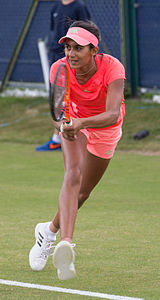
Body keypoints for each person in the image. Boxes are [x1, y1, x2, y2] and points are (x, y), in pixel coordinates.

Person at [29, 20, 126, 280]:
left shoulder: (113, 68)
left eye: (78, 48)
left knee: (83, 193)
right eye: (68, 47)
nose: (71, 53)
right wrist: (64, 125)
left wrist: (81, 122)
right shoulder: (58, 68)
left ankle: (48, 231)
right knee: (73, 173)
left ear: (94, 50)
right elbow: (56, 111)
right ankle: (65, 244)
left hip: (103, 127)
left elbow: (113, 114)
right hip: (74, 123)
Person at [35, 0, 91, 151]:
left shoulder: (79, 7)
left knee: (74, 97)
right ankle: (58, 137)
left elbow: (86, 34)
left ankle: (76, 137)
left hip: (74, 59)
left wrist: (76, 53)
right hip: (56, 56)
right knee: (58, 98)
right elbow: (54, 30)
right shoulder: (55, 7)